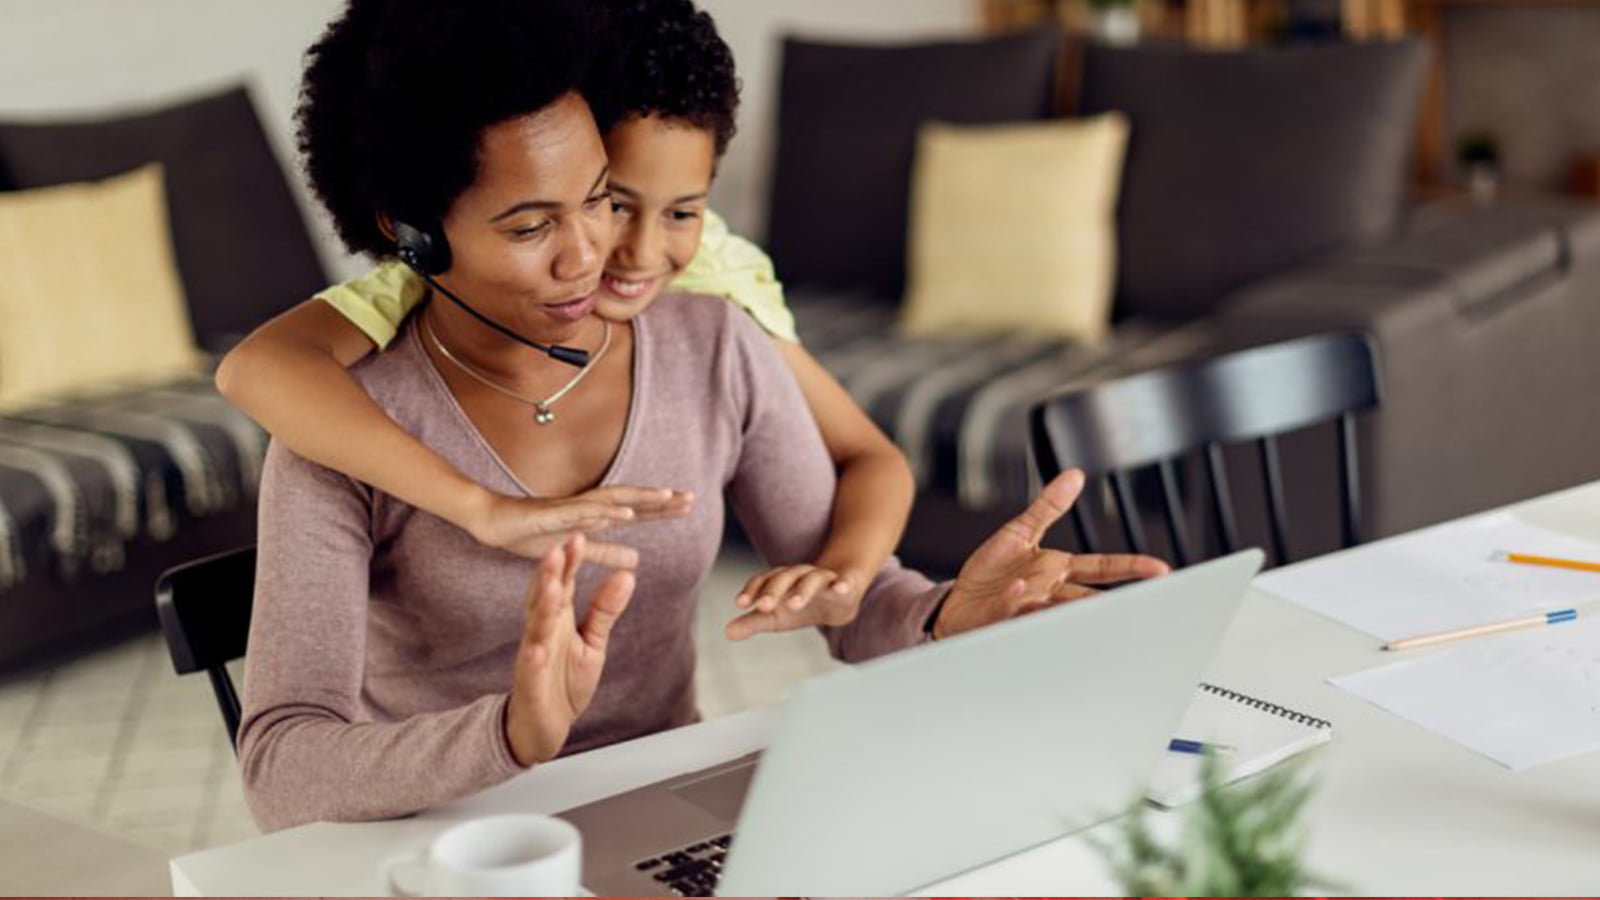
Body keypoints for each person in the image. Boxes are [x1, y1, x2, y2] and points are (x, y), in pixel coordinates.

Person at [238, 0, 1168, 832]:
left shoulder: (711, 346)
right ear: (413, 234)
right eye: (531, 227)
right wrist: (510, 734)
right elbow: (280, 767)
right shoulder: (341, 427)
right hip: (450, 841)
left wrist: (940, 617)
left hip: (663, 813)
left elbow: (855, 608)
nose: (590, 254)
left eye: (597, 198)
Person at [215, 0, 915, 631]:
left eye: (598, 200)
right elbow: (258, 367)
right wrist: (477, 509)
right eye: (611, 201)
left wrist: (848, 578)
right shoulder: (421, 279)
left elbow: (869, 459)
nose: (614, 252)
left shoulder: (714, 287)